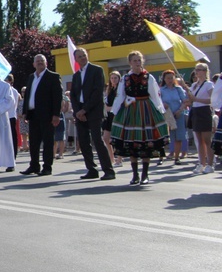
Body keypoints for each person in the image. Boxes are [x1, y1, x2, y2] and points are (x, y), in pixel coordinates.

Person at [110, 51, 168, 185]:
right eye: (134, 60)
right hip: (131, 110)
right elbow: (120, 95)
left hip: (146, 109)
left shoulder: (149, 77)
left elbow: (155, 95)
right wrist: (115, 111)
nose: (137, 63)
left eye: (139, 60)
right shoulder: (125, 78)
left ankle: (145, 174)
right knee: (132, 142)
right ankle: (135, 174)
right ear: (130, 62)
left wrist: (160, 110)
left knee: (146, 140)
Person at [70, 48, 115, 180]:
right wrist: (78, 111)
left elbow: (97, 92)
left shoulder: (97, 70)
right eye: (80, 56)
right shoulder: (76, 75)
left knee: (97, 140)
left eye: (84, 55)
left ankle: (108, 170)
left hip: (94, 111)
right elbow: (73, 95)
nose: (83, 58)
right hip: (80, 113)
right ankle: (91, 169)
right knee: (83, 142)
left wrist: (85, 110)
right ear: (76, 59)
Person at [21, 55, 63, 176]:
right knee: (33, 142)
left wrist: (56, 114)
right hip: (33, 114)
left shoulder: (53, 77)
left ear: (46, 63)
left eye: (42, 61)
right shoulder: (31, 77)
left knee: (48, 142)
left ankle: (47, 167)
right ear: (34, 64)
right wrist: (25, 112)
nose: (39, 63)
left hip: (47, 115)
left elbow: (57, 97)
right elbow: (27, 95)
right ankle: (34, 165)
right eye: (37, 61)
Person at [182, 62, 214, 174]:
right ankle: (201, 163)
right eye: (196, 69)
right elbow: (191, 100)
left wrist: (196, 100)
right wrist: (186, 91)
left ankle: (210, 164)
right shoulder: (194, 85)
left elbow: (212, 100)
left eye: (199, 69)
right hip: (195, 111)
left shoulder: (209, 85)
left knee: (207, 140)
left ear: (205, 72)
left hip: (204, 111)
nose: (197, 72)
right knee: (199, 141)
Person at [160, 70, 187, 166]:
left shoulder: (178, 89)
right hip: (167, 116)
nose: (170, 80)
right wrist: (163, 105)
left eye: (171, 78)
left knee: (178, 137)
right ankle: (161, 157)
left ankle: (177, 157)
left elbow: (185, 101)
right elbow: (157, 103)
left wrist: (180, 110)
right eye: (168, 78)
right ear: (164, 79)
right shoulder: (161, 90)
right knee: (165, 137)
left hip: (178, 114)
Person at [102, 71, 122, 167]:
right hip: (108, 116)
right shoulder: (109, 89)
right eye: (112, 78)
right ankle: (111, 158)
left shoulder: (120, 90)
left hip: (117, 115)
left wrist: (111, 108)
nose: (114, 80)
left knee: (117, 138)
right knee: (106, 138)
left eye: (115, 78)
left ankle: (119, 160)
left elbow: (121, 102)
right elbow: (106, 101)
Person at [5, 74, 20, 158]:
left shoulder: (14, 91)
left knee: (13, 135)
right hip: (4, 116)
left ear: (10, 81)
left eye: (7, 80)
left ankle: (14, 153)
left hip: (11, 115)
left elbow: (14, 104)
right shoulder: (4, 90)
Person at [17, 87, 29, 152]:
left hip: (28, 118)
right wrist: (19, 115)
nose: (23, 93)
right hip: (21, 119)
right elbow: (17, 110)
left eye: (25, 91)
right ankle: (25, 146)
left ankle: (30, 145)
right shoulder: (20, 101)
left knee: (30, 132)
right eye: (22, 92)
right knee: (23, 133)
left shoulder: (29, 100)